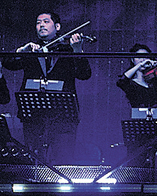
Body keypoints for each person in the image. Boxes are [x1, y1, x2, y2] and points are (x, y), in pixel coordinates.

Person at [1, 12, 91, 163]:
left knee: (63, 158)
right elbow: (9, 64)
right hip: (33, 114)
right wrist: (22, 51)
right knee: (34, 157)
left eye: (46, 21)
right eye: (38, 22)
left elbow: (84, 74)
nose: (41, 25)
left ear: (57, 26)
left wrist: (77, 50)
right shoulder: (31, 49)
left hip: (63, 115)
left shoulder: (68, 49)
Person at [117, 44, 157, 109]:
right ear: (132, 60)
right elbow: (121, 81)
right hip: (137, 115)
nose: (142, 60)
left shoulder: (156, 83)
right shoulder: (131, 84)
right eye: (139, 57)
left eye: (145, 57)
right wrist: (139, 65)